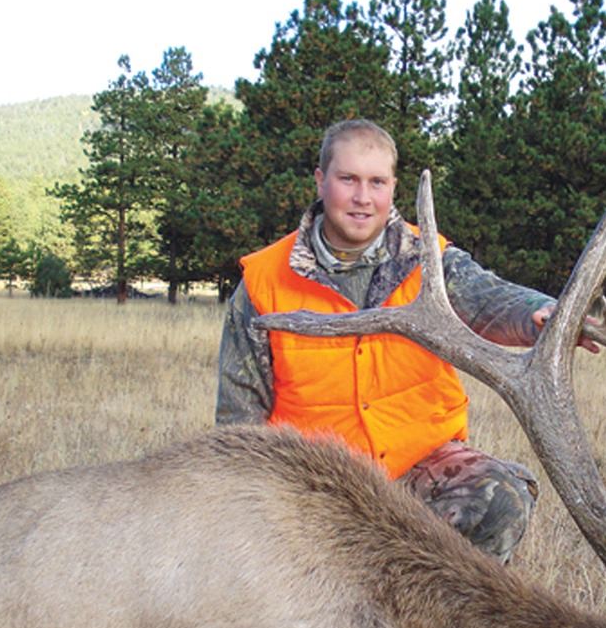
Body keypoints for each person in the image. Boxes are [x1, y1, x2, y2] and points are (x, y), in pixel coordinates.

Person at [216, 118, 573, 563]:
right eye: (348, 179)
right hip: (314, 482)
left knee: (500, 499)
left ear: (393, 188)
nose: (363, 198)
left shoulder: (429, 260)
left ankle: (446, 609)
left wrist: (541, 314)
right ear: (321, 180)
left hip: (420, 467)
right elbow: (239, 416)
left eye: (377, 182)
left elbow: (491, 299)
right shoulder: (265, 283)